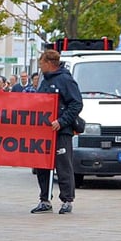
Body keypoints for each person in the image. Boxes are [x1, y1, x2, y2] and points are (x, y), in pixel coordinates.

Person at [31, 49, 83, 215]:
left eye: (41, 63)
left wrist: (62, 121)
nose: (40, 66)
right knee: (42, 165)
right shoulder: (43, 81)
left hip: (61, 131)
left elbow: (76, 104)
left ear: (49, 64)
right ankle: (44, 199)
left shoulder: (65, 80)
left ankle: (67, 200)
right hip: (44, 131)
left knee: (63, 166)